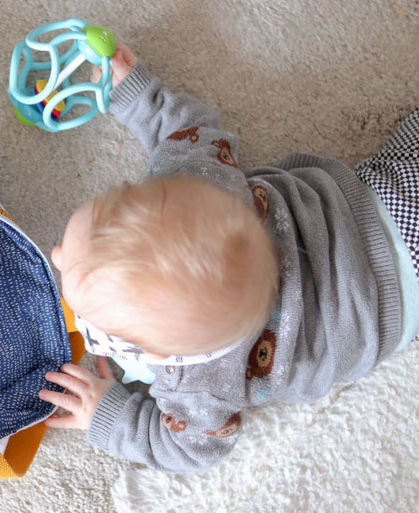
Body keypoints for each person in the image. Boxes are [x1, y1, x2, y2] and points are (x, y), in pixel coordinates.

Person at [38, 43, 419, 472]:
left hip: (392, 307)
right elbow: (186, 127)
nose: (54, 254)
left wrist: (107, 414)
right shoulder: (201, 174)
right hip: (383, 193)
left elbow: (190, 448)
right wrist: (135, 93)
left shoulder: (198, 386)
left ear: (159, 357)